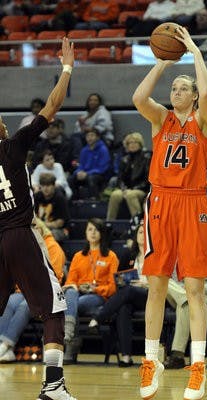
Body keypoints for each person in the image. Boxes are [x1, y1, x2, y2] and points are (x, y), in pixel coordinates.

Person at [132, 25, 207, 400]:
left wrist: (195, 52)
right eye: (175, 88)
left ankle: (198, 367)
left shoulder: (202, 121)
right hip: (161, 202)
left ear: (194, 97)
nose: (177, 91)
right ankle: (151, 359)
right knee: (157, 284)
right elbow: (138, 96)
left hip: (193, 202)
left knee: (195, 287)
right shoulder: (160, 119)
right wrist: (162, 62)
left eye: (184, 88)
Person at [0, 37, 77, 399]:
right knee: (54, 311)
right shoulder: (13, 146)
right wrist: (66, 68)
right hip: (19, 234)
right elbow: (53, 105)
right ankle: (53, 385)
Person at [0, 218, 66, 363]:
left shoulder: (53, 247)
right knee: (9, 302)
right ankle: (5, 348)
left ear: (40, 230)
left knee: (25, 305)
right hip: (22, 291)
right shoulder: (26, 247)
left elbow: (55, 276)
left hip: (44, 292)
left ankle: (7, 344)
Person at [164, 232, 207, 368]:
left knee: (187, 305)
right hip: (181, 293)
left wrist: (198, 290)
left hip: (206, 297)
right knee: (162, 280)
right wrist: (186, 291)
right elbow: (175, 280)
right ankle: (185, 296)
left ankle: (177, 355)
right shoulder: (182, 252)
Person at [88, 223, 148, 367]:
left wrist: (144, 284)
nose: (142, 234)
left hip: (150, 295)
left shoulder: (156, 254)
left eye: (145, 232)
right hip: (130, 296)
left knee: (129, 291)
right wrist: (124, 281)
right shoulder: (129, 254)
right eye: (140, 232)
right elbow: (119, 279)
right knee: (123, 308)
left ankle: (98, 318)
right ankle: (126, 356)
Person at [62, 218, 119, 343]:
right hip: (78, 293)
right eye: (90, 229)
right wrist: (80, 286)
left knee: (70, 304)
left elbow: (113, 287)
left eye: (96, 230)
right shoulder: (78, 256)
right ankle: (69, 333)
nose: (93, 233)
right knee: (71, 292)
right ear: (86, 233)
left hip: (99, 296)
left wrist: (95, 289)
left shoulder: (111, 256)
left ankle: (69, 342)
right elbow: (70, 281)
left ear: (102, 233)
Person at [106, 132, 151, 220]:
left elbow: (147, 179)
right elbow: (120, 178)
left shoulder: (147, 157)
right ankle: (109, 223)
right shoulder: (124, 159)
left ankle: (138, 222)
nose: (132, 145)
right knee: (115, 194)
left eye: (135, 142)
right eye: (130, 143)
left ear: (140, 144)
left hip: (141, 189)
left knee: (131, 195)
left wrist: (134, 189)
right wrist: (124, 189)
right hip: (126, 189)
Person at [68, 128, 111, 200]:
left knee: (91, 178)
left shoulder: (103, 149)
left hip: (99, 175)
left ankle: (95, 200)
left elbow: (102, 168)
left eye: (92, 135)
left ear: (97, 137)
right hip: (85, 173)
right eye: (87, 136)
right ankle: (75, 200)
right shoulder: (84, 150)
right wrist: (78, 172)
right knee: (71, 179)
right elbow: (81, 165)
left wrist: (87, 173)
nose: (89, 138)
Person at [34, 172, 70, 242]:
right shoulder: (37, 197)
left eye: (48, 185)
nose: (45, 188)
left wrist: (42, 225)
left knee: (51, 234)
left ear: (54, 185)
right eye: (43, 185)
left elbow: (60, 223)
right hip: (41, 228)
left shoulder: (60, 198)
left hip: (60, 230)